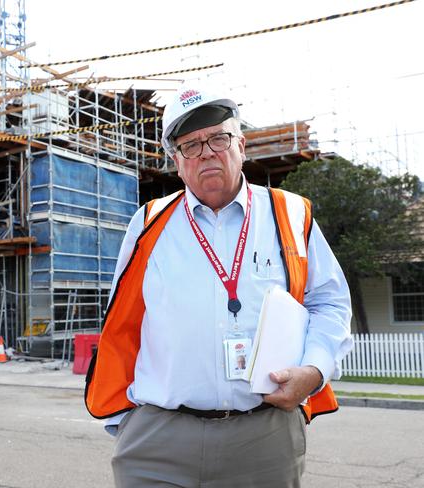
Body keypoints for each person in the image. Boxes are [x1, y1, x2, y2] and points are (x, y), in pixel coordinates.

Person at [84, 83, 353, 487]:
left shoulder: (291, 214)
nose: (206, 152)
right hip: (159, 438)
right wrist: (130, 423)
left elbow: (330, 303)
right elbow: (122, 323)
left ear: (241, 145)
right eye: (190, 145)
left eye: (218, 138)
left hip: (264, 438)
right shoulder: (148, 224)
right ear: (177, 161)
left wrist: (314, 371)